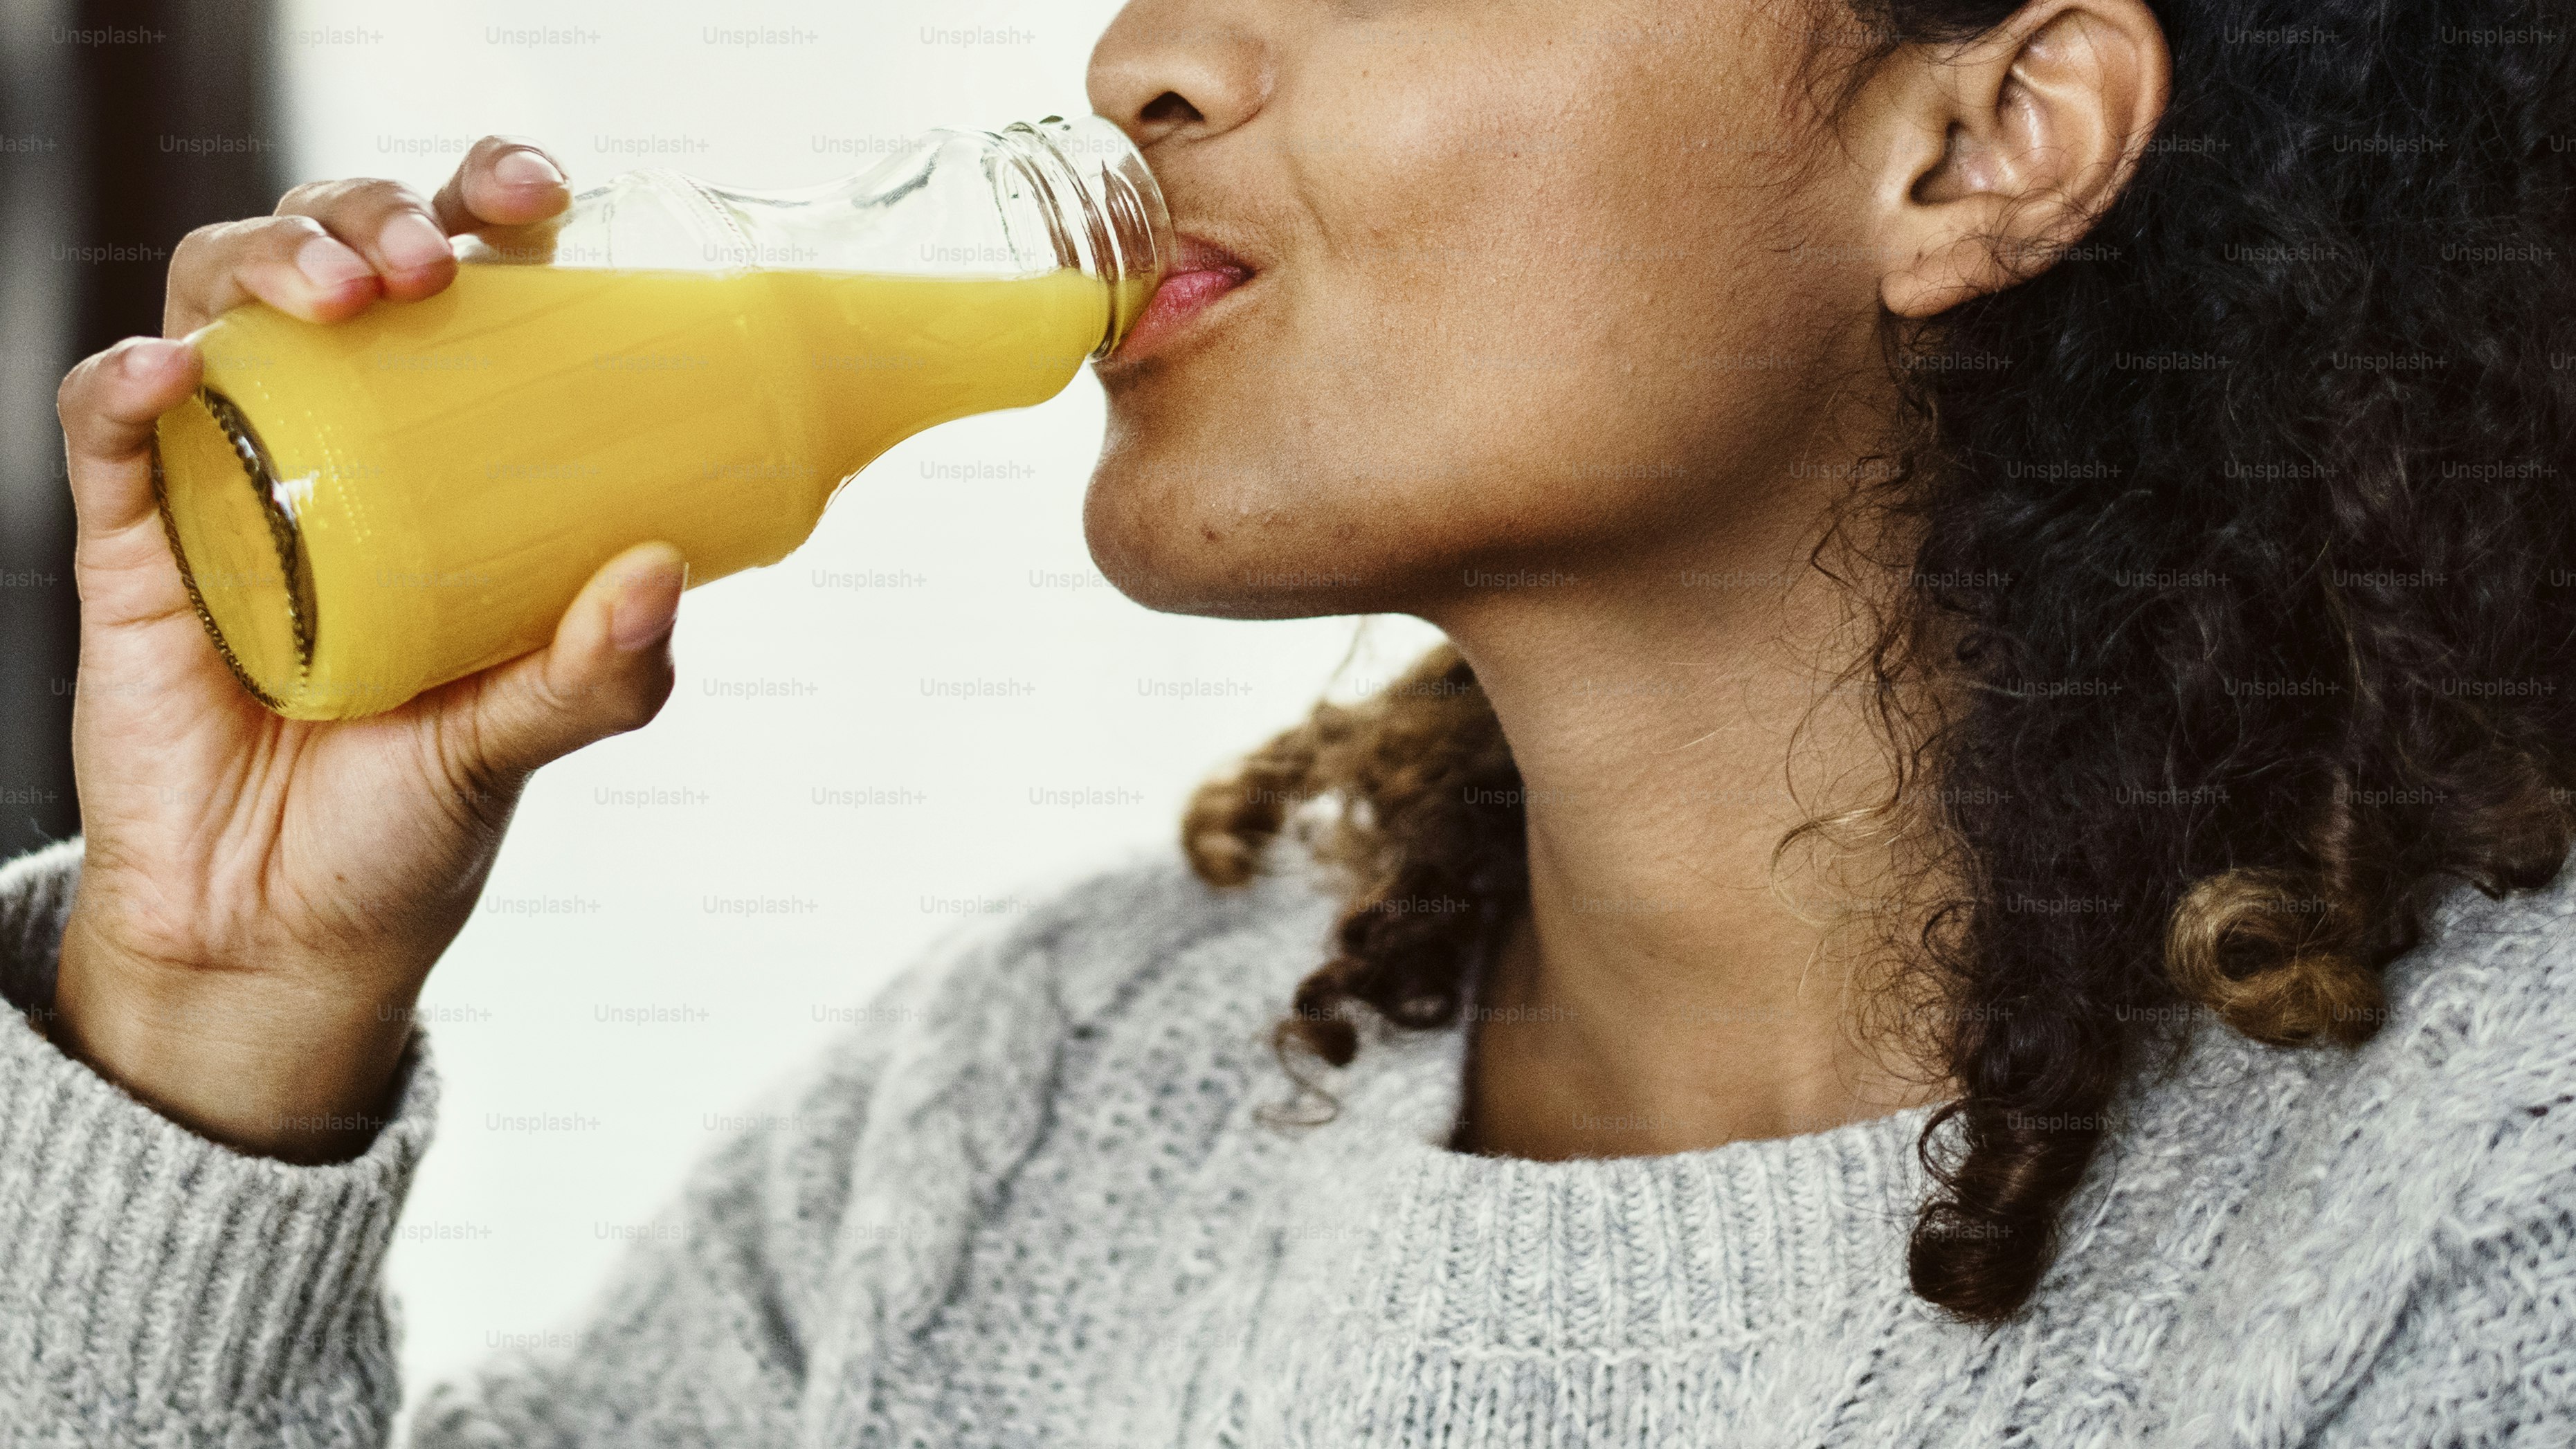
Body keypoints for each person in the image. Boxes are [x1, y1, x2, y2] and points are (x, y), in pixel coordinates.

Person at [6, 0, 2573, 1441]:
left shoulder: (2493, 1220)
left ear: (1980, 143)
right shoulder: (1039, 1098)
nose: (1144, 54)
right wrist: (215, 1005)